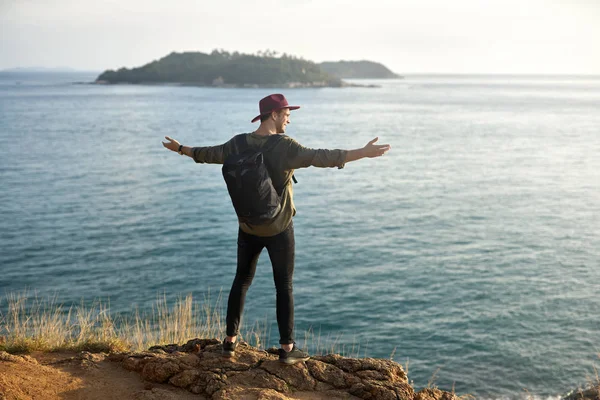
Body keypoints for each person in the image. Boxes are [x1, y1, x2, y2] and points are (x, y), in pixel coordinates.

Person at [162, 93, 390, 365]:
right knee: (284, 285)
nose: (289, 121)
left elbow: (207, 154)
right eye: (287, 116)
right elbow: (323, 157)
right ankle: (287, 349)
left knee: (242, 280)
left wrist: (180, 148)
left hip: (248, 226)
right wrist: (361, 153)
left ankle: (229, 342)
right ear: (273, 115)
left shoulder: (237, 143)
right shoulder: (285, 147)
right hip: (279, 227)